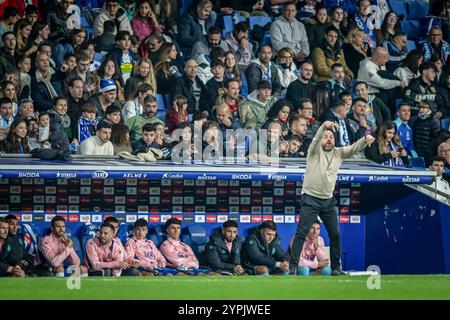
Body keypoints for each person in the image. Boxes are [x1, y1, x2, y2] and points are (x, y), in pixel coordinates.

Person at [289, 121, 375, 275]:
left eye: (331, 137)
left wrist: (365, 139)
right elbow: (316, 139)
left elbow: (353, 148)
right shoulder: (314, 151)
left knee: (335, 234)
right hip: (310, 199)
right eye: (325, 137)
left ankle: (336, 268)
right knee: (301, 233)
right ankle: (293, 267)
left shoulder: (338, 153)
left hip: (328, 200)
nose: (328, 139)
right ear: (321, 139)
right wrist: (324, 126)